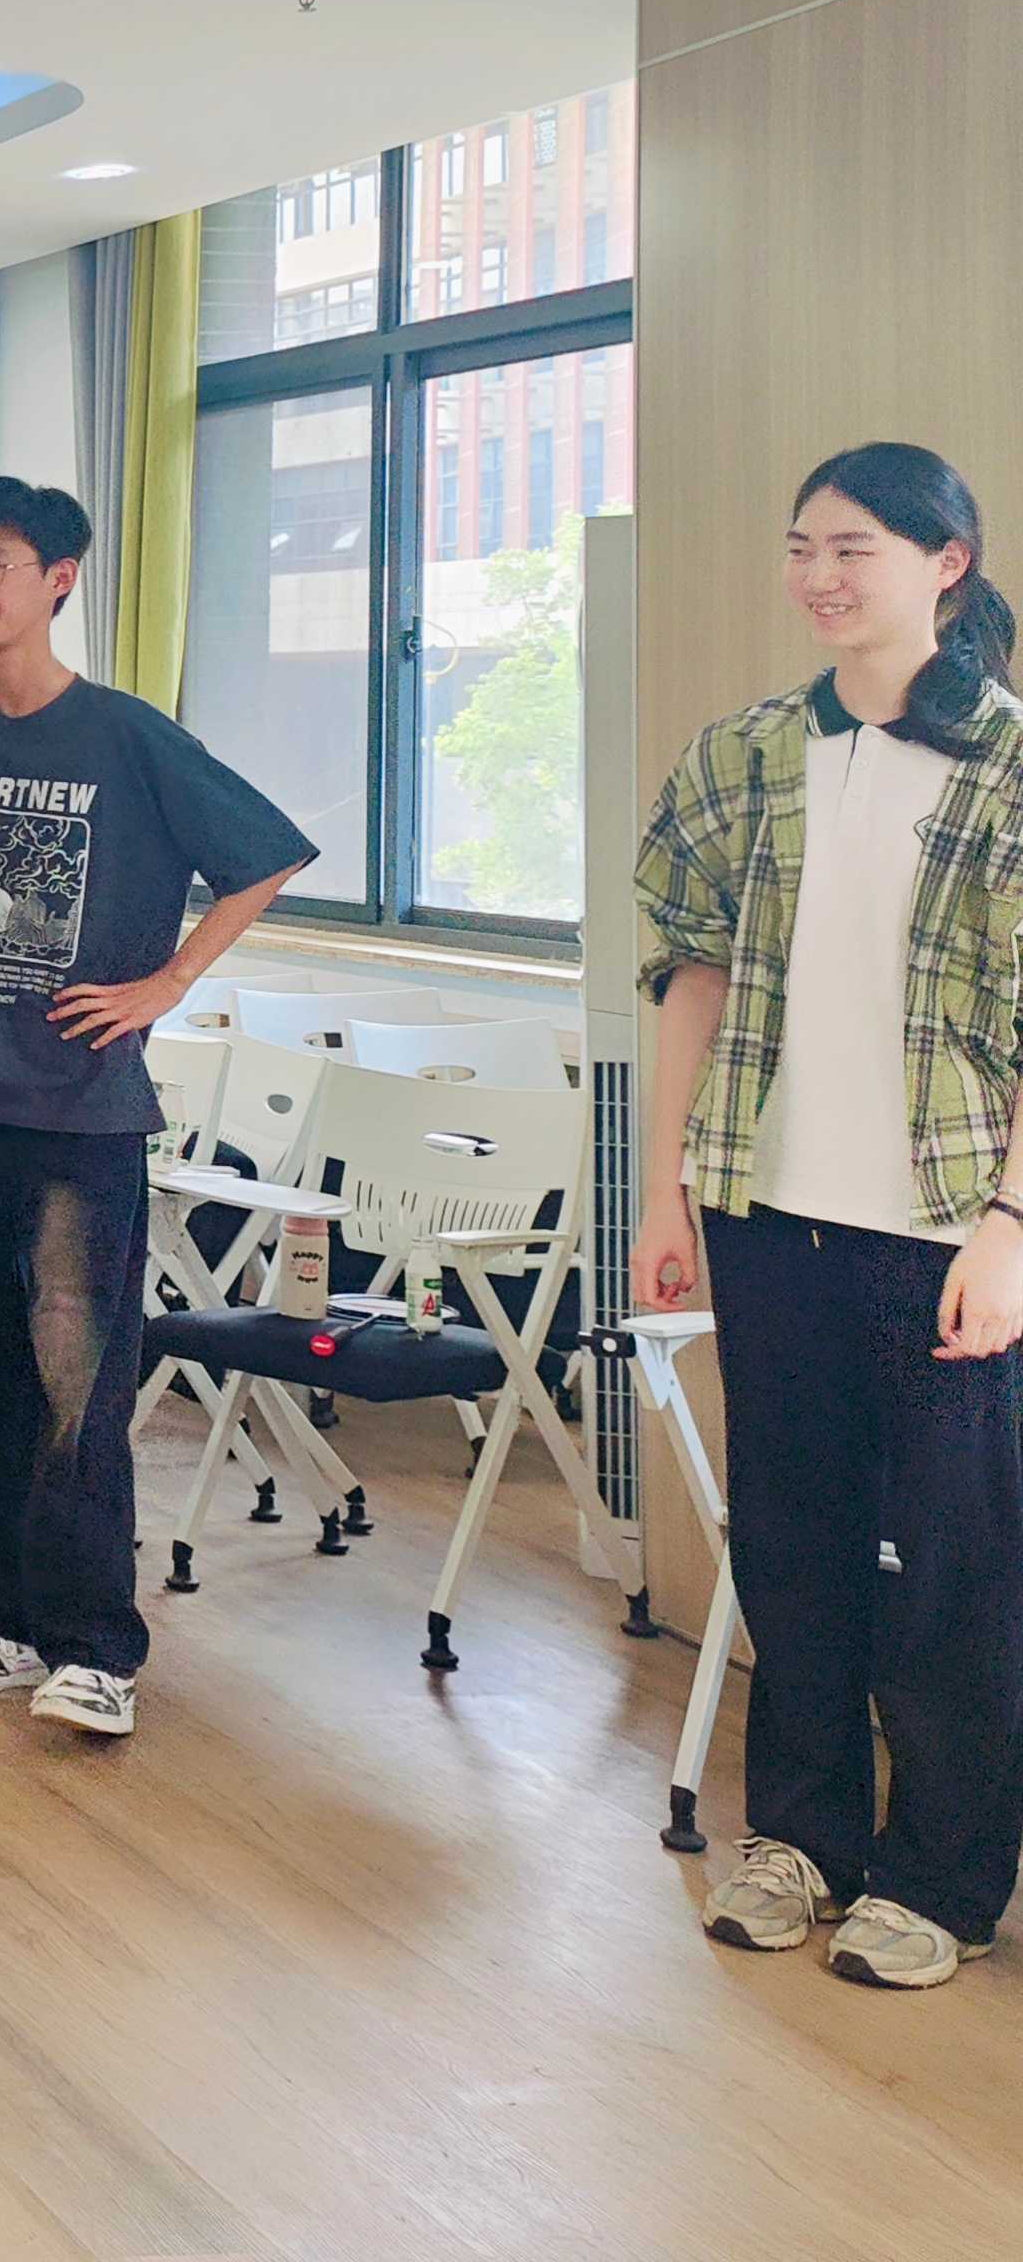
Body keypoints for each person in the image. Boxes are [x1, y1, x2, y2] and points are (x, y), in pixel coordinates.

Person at [0, 474, 309, 1744]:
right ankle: (9, 1623)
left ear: (59, 580)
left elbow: (265, 857)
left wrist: (166, 984)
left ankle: (96, 1647)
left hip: (84, 1107)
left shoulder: (124, 735)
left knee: (76, 1382)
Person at [636, 441, 1023, 1993]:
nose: (819, 575)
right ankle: (802, 1841)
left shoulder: (1007, 764)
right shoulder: (744, 756)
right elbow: (690, 976)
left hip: (945, 1232)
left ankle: (940, 1875)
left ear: (948, 562)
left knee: (952, 1568)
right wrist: (664, 1188)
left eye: (854, 547)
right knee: (791, 1544)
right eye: (803, 546)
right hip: (768, 1214)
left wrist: (1012, 1225)